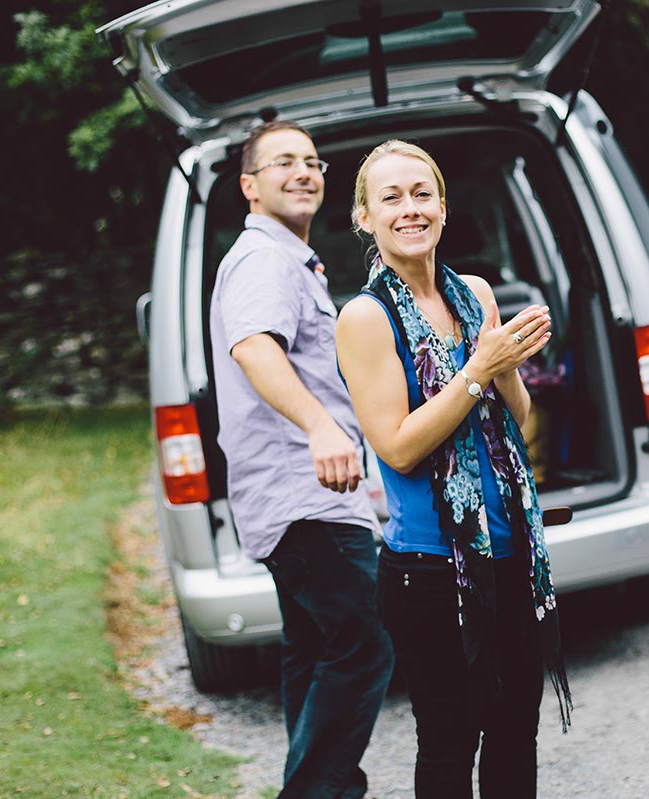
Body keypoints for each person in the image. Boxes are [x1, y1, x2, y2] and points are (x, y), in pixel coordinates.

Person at [335, 139, 571, 798]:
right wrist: (477, 369)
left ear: (443, 206)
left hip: (510, 554)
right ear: (364, 218)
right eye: (391, 198)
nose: (410, 208)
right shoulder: (365, 318)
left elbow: (516, 418)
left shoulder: (474, 294)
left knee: (515, 732)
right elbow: (398, 447)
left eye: (422, 193)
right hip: (430, 570)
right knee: (449, 744)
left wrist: (507, 364)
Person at [209, 120, 394, 798]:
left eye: (312, 162)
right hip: (303, 492)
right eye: (283, 161)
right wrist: (321, 426)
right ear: (249, 186)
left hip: (301, 493)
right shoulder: (265, 259)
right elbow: (254, 347)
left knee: (315, 649)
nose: (304, 172)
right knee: (366, 641)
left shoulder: (289, 259)